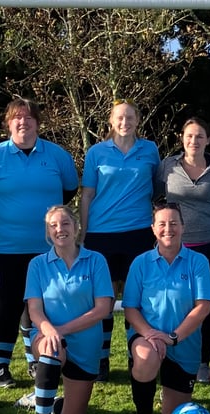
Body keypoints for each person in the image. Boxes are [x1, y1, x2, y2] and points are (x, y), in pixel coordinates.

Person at [0, 98, 78, 389]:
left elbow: (69, 190)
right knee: (7, 306)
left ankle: (37, 359)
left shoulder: (58, 156)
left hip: (46, 247)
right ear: (8, 123)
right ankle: (3, 367)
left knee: (40, 306)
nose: (23, 123)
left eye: (29, 118)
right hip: (5, 246)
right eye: (17, 118)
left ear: (38, 124)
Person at [24, 205, 113, 414]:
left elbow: (103, 308)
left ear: (76, 228)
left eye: (65, 224)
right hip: (47, 335)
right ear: (48, 232)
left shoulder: (96, 260)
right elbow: (35, 310)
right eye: (53, 225)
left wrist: (62, 329)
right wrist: (51, 331)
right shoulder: (37, 264)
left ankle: (44, 397)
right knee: (52, 349)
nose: (59, 229)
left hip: (86, 344)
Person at [80, 99, 161, 382]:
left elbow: (158, 190)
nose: (125, 122)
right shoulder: (97, 152)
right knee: (103, 297)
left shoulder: (150, 150)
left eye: (130, 117)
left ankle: (134, 355)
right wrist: (83, 233)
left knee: (135, 297)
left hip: (139, 232)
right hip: (101, 233)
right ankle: (101, 359)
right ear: (111, 122)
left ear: (138, 120)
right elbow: (87, 195)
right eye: (119, 118)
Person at [122, 202, 210, 414]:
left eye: (173, 223)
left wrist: (172, 338)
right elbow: (130, 309)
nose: (168, 229)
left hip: (183, 343)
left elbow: (203, 307)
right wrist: (151, 335)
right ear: (153, 228)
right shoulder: (140, 263)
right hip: (147, 338)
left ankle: (165, 391)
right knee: (146, 356)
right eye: (161, 224)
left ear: (183, 226)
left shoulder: (198, 262)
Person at [156, 117, 210, 384]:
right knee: (174, 303)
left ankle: (202, 362)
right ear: (181, 138)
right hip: (174, 246)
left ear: (207, 140)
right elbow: (157, 196)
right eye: (189, 136)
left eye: (200, 136)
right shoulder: (167, 166)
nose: (194, 141)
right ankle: (166, 353)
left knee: (205, 306)